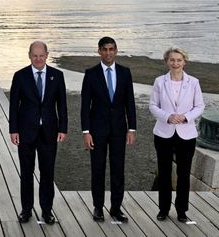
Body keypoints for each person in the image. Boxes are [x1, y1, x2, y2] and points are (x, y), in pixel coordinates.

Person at [9, 41, 68, 225]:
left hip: (49, 132)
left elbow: (63, 105)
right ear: (29, 55)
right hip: (26, 132)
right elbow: (13, 106)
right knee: (26, 173)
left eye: (41, 55)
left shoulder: (57, 76)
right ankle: (26, 210)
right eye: (35, 55)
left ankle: (47, 211)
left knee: (47, 173)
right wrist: (13, 130)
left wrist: (63, 128)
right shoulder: (20, 76)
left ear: (47, 55)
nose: (38, 59)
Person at [81, 36, 136, 224]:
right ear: (99, 51)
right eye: (104, 49)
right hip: (97, 130)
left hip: (120, 130)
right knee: (97, 169)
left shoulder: (125, 72)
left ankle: (115, 208)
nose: (108, 53)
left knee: (118, 169)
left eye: (111, 49)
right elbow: (84, 105)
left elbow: (130, 102)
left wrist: (132, 128)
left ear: (116, 51)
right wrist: (86, 132)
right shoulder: (90, 73)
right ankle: (98, 207)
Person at [149, 46, 204, 223]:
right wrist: (168, 117)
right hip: (163, 132)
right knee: (164, 173)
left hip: (186, 134)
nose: (175, 63)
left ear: (184, 62)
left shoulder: (194, 82)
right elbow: (153, 106)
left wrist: (186, 117)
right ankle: (163, 209)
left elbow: (200, 106)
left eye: (179, 60)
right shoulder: (159, 81)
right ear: (166, 62)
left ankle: (182, 210)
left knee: (183, 173)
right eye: (172, 60)